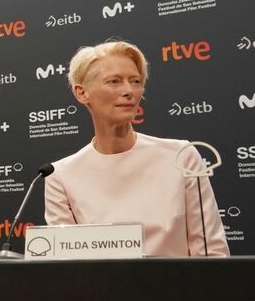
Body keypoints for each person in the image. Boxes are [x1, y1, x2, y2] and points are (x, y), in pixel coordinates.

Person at [44, 40, 229, 257]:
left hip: (180, 290)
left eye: (135, 81)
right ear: (82, 93)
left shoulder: (181, 156)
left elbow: (212, 254)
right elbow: (65, 266)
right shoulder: (60, 176)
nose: (129, 91)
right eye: (114, 82)